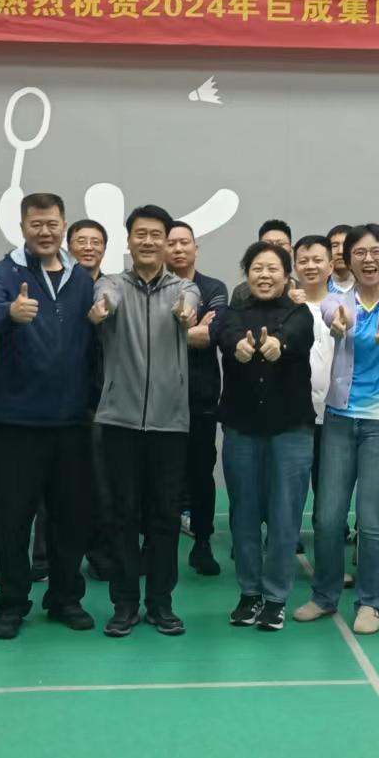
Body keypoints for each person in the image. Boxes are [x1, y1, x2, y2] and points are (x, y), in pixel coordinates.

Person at [0, 191, 98, 638]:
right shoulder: (5, 272)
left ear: (63, 225)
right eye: (36, 224)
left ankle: (65, 598)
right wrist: (10, 311)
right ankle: (11, 603)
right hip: (17, 423)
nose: (44, 232)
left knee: (70, 519)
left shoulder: (82, 278)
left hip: (72, 422)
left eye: (52, 224)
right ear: (23, 226)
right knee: (11, 521)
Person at [297, 224, 379, 634]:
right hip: (339, 420)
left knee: (371, 520)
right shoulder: (337, 301)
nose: (369, 260)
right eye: (360, 253)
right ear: (347, 260)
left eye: (377, 252)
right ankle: (324, 596)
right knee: (328, 517)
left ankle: (371, 603)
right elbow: (333, 315)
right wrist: (339, 323)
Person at [89, 205, 199, 636]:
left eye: (156, 235)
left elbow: (189, 306)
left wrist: (186, 315)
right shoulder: (111, 284)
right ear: (129, 240)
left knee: (164, 516)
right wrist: (101, 309)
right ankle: (124, 603)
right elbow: (105, 301)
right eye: (141, 234)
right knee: (121, 515)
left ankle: (160, 602)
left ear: (167, 242)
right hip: (120, 419)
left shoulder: (183, 288)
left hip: (170, 422)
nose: (148, 241)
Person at [217, 241, 315, 631]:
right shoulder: (233, 313)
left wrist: (279, 344)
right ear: (247, 273)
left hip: (291, 430)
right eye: (257, 268)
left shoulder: (299, 313)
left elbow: (297, 335)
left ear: (286, 275)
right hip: (242, 430)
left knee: (284, 517)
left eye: (273, 268)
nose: (264, 275)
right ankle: (249, 594)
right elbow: (226, 335)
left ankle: (275, 598)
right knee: (243, 515)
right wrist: (239, 347)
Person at [166, 219, 228, 577]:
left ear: (195, 248)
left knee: (201, 472)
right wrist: (191, 329)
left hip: (200, 396)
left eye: (184, 242)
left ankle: (202, 544)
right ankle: (152, 545)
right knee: (158, 474)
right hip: (158, 396)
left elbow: (211, 335)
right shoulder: (154, 288)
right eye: (171, 243)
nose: (178, 249)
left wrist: (164, 333)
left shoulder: (213, 288)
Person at [292, 234, 337, 536]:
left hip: (336, 415)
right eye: (303, 261)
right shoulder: (284, 307)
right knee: (290, 486)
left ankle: (328, 545)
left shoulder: (346, 306)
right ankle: (286, 541)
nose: (310, 266)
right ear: (294, 266)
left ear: (331, 266)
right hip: (294, 414)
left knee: (330, 488)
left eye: (317, 260)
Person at [326, 224, 354, 294]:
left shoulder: (369, 285)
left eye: (346, 245)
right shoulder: (318, 287)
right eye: (334, 246)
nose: (340, 251)